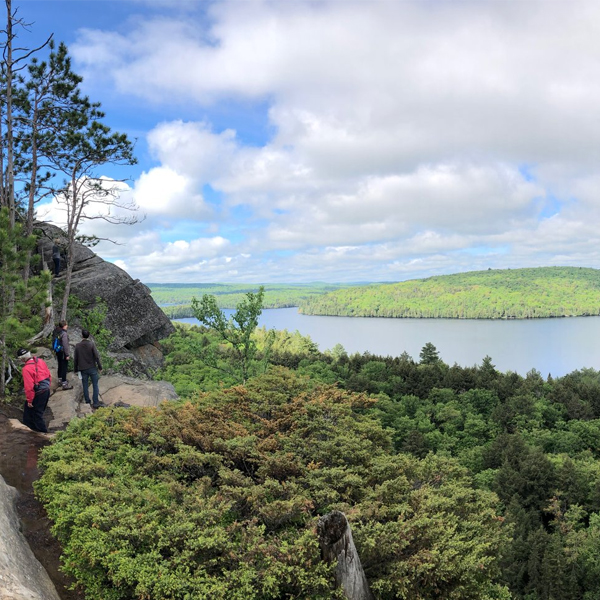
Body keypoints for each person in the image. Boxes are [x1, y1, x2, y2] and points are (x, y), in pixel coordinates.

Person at [17, 348, 52, 433]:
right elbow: (48, 375)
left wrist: (30, 400)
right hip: (46, 390)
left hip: (38, 392)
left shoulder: (26, 369)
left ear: (22, 358)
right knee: (36, 412)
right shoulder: (40, 361)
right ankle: (35, 430)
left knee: (36, 414)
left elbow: (29, 387)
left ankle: (43, 433)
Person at [73, 329, 106, 408]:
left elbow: (76, 359)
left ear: (82, 335)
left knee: (85, 385)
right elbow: (96, 356)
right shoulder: (91, 344)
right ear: (88, 335)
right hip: (92, 367)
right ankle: (95, 402)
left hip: (83, 368)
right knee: (95, 385)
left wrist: (75, 369)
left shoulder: (78, 345)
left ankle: (87, 401)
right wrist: (100, 367)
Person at [53, 321, 73, 390]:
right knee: (64, 367)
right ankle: (64, 384)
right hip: (63, 352)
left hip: (58, 351)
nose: (67, 326)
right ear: (64, 325)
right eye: (66, 325)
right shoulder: (64, 333)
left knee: (60, 365)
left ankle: (60, 380)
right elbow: (65, 345)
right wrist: (67, 354)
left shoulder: (56, 331)